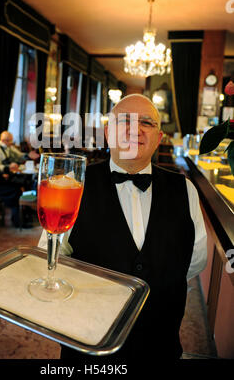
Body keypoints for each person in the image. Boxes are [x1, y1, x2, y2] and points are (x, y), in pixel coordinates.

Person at [38, 94, 207, 361]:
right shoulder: (72, 183)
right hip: (88, 342)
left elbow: (194, 261)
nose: (135, 129)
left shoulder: (185, 190)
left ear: (160, 137)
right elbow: (49, 258)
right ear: (108, 133)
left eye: (147, 123)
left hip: (159, 343)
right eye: (124, 121)